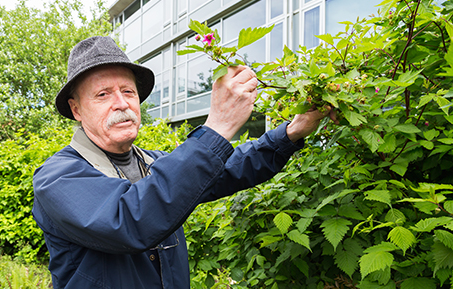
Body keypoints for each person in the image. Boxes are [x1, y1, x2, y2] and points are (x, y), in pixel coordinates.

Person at [32, 36, 336, 289]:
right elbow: (128, 220)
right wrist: (217, 128)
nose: (122, 103)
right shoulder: (58, 177)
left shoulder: (153, 163)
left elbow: (229, 169)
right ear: (76, 110)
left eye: (128, 91)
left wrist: (292, 132)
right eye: (103, 94)